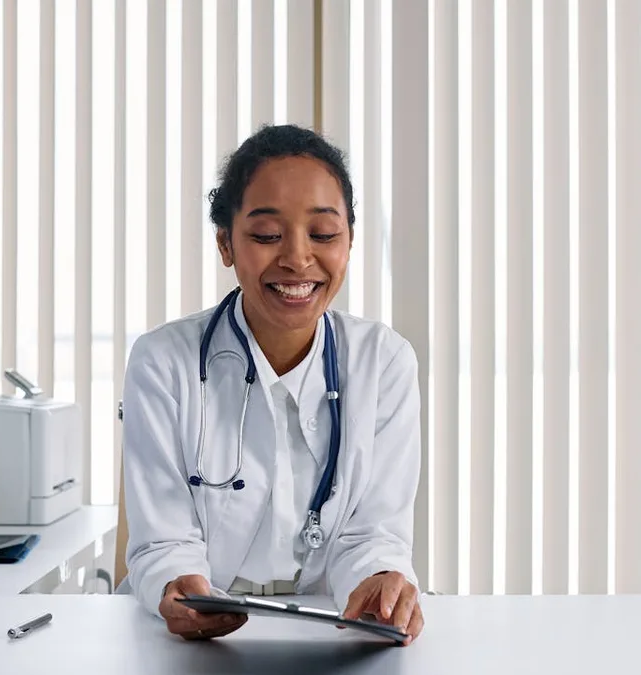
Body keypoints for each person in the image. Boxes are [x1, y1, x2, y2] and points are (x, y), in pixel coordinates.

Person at [119, 124, 425, 644]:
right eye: (265, 235)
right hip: (189, 640)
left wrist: (379, 583)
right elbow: (163, 540)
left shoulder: (384, 362)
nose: (297, 258)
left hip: (331, 629)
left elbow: (374, 533)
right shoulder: (162, 361)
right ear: (225, 243)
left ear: (349, 241)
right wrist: (178, 587)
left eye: (324, 234)